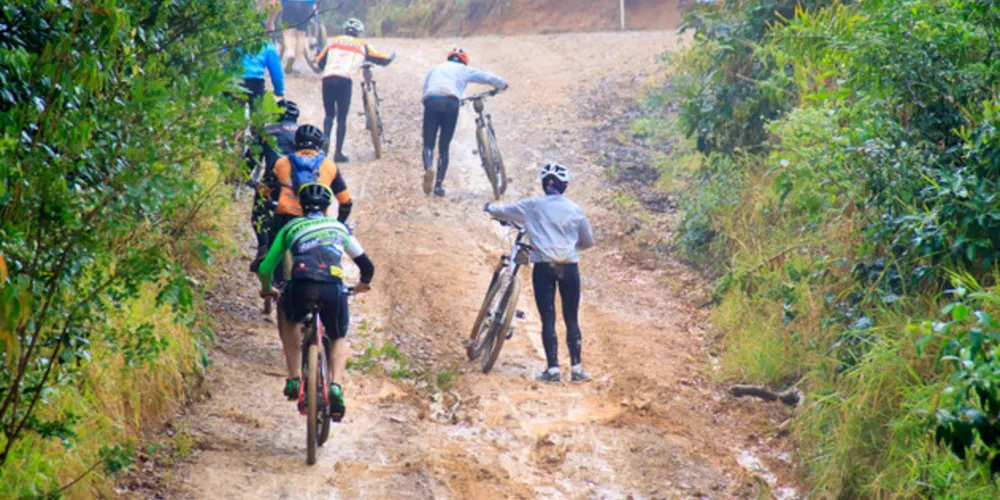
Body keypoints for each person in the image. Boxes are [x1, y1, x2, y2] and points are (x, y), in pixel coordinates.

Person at [257, 183, 375, 422]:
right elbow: (367, 266)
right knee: (339, 336)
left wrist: (267, 288)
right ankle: (336, 386)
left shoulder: (292, 226)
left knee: (288, 317)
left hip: (300, 284)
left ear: (301, 206)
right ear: (328, 207)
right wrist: (364, 283)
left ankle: (293, 378)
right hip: (332, 287)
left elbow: (266, 266)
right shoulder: (339, 227)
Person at [484, 163, 594, 383]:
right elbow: (587, 241)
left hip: (544, 267)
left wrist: (489, 208)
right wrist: (568, 246)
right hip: (569, 267)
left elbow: (503, 211)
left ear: (545, 185)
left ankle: (552, 370)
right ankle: (577, 369)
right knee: (571, 317)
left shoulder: (532, 205)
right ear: (565, 186)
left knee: (548, 318)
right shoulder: (575, 209)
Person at [421, 48, 508, 197]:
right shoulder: (464, 69)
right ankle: (438, 186)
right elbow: (486, 77)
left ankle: (429, 167)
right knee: (444, 146)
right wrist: (502, 84)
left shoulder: (435, 69)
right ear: (463, 61)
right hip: (451, 102)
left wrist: (430, 103)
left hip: (432, 101)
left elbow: (425, 91)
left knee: (429, 143)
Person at [316, 18, 395, 162]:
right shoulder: (362, 46)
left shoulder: (333, 41)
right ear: (359, 32)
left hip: (328, 79)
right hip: (344, 80)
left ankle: (326, 139)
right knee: (341, 117)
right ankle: (338, 153)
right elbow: (382, 59)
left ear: (344, 30)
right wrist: (391, 57)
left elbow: (319, 61)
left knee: (329, 114)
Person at [268, 124, 354, 242]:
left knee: (272, 250)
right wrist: (340, 223)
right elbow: (346, 202)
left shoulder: (281, 163)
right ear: (318, 146)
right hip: (317, 222)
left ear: (296, 143)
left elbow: (264, 192)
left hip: (285, 217)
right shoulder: (329, 165)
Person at [250, 100, 300, 272]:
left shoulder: (266, 131)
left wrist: (241, 177)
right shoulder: (302, 133)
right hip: (299, 183)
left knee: (259, 213)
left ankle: (263, 247)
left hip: (272, 181)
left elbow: (249, 160)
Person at [240, 38, 285, 106]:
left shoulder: (232, 41)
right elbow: (276, 73)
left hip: (233, 80)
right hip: (255, 83)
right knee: (258, 113)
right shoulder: (267, 44)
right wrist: (279, 92)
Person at [278, 0, 316, 74]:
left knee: (288, 32)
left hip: (289, 3)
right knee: (301, 35)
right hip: (305, 4)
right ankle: (297, 65)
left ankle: (290, 53)